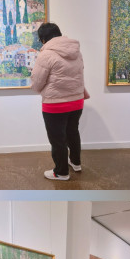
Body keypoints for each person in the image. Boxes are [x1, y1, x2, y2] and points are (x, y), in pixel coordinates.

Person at [30, 22, 89, 182]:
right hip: (77, 101)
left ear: (43, 39)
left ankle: (61, 172)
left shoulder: (46, 54)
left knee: (57, 139)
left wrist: (39, 89)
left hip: (55, 104)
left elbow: (37, 82)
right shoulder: (76, 51)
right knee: (72, 132)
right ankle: (76, 162)